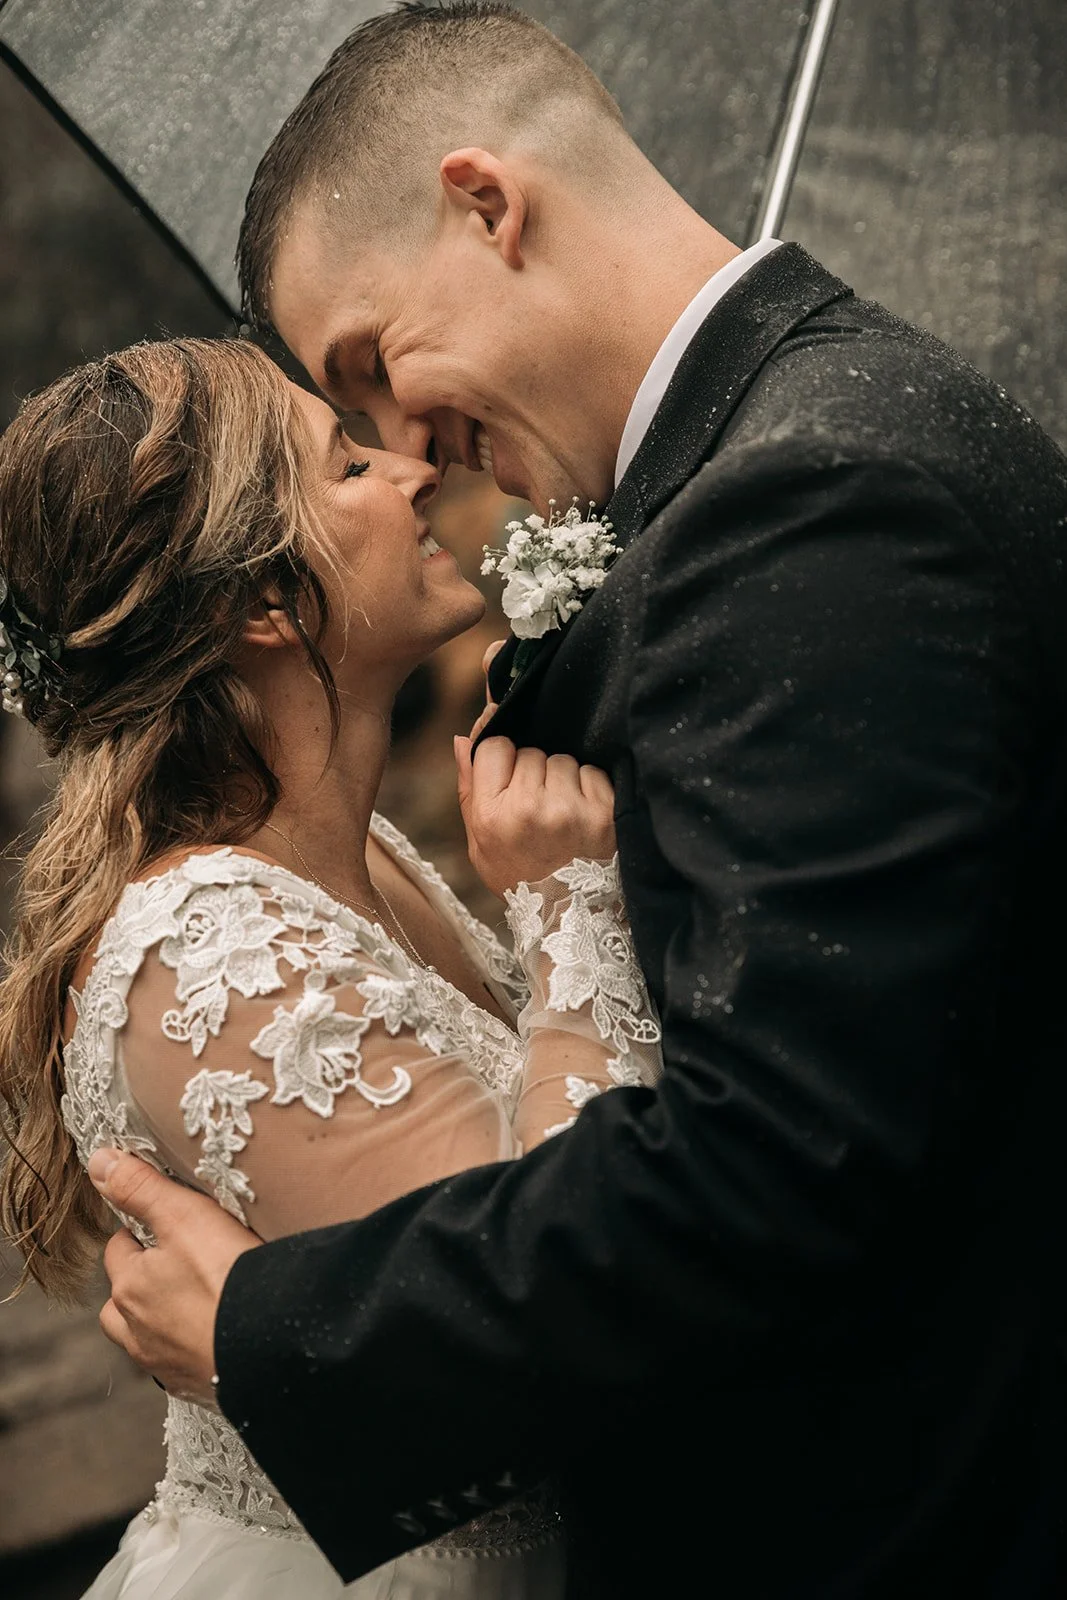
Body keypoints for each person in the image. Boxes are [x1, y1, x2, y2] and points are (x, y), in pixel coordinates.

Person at [86, 3, 1067, 1595]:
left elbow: (767, 1165)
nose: (407, 449)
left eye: (369, 367)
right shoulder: (796, 445)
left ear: (485, 203)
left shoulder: (810, 504)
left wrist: (269, 1331)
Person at [0, 334, 664, 1598]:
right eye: (346, 462)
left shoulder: (361, 851)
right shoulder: (216, 954)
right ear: (258, 605)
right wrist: (570, 904)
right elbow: (544, 1327)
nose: (412, 472)